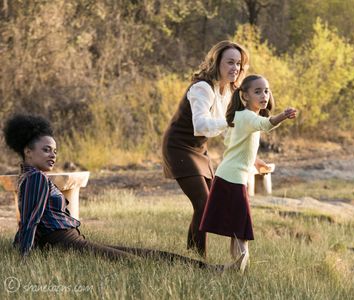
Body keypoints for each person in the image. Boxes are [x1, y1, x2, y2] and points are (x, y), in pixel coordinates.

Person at [4, 114, 245, 271]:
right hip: (63, 242)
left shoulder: (33, 177)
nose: (53, 155)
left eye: (54, 150)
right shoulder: (34, 179)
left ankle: (216, 270)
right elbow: (29, 222)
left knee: (149, 254)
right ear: (27, 152)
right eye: (46, 150)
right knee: (137, 262)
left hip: (71, 239)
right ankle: (215, 271)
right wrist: (23, 260)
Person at [199, 74, 297, 272]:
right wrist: (283, 116)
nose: (264, 95)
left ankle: (237, 267)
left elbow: (238, 148)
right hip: (231, 179)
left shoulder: (243, 118)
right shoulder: (247, 117)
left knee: (240, 228)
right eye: (258, 91)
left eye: (267, 91)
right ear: (244, 96)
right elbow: (266, 124)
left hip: (231, 177)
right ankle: (238, 267)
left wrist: (257, 163)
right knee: (241, 229)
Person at [162, 40, 249, 257]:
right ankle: (199, 260)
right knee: (203, 204)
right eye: (229, 62)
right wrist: (229, 123)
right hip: (179, 146)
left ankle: (191, 255)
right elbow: (201, 125)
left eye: (238, 64)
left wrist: (249, 155)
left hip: (199, 149)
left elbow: (230, 131)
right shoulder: (202, 88)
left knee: (209, 205)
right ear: (216, 62)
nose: (235, 68)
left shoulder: (229, 91)